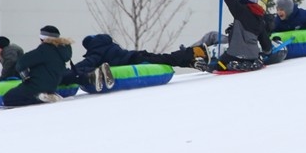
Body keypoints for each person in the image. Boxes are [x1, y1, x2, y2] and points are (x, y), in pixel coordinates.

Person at [62, 33, 204, 92]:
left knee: (165, 59)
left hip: (132, 61)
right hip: (137, 55)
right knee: (165, 58)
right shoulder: (111, 45)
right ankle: (193, 55)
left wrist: (71, 71)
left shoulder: (96, 51)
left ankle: (191, 56)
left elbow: (89, 62)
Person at [206, 0, 272, 72]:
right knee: (246, 57)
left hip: (234, 54)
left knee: (219, 64)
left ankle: (227, 66)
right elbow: (265, 43)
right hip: (253, 56)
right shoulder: (260, 19)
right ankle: (248, 63)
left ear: (244, 2)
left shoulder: (240, 11)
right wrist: (267, 51)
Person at [1, 25, 74, 106]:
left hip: (36, 85)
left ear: (43, 39)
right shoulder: (62, 51)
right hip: (53, 86)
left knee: (8, 98)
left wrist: (25, 75)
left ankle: (39, 98)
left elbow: (21, 63)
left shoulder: (44, 50)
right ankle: (47, 96)